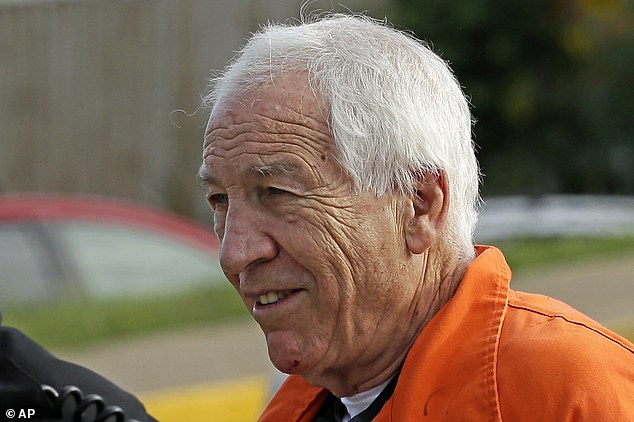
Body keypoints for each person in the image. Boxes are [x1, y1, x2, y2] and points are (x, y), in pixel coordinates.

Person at [197, 14, 634, 421]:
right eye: (219, 200)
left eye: (279, 193)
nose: (235, 254)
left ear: (420, 204)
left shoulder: (568, 393)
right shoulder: (292, 409)